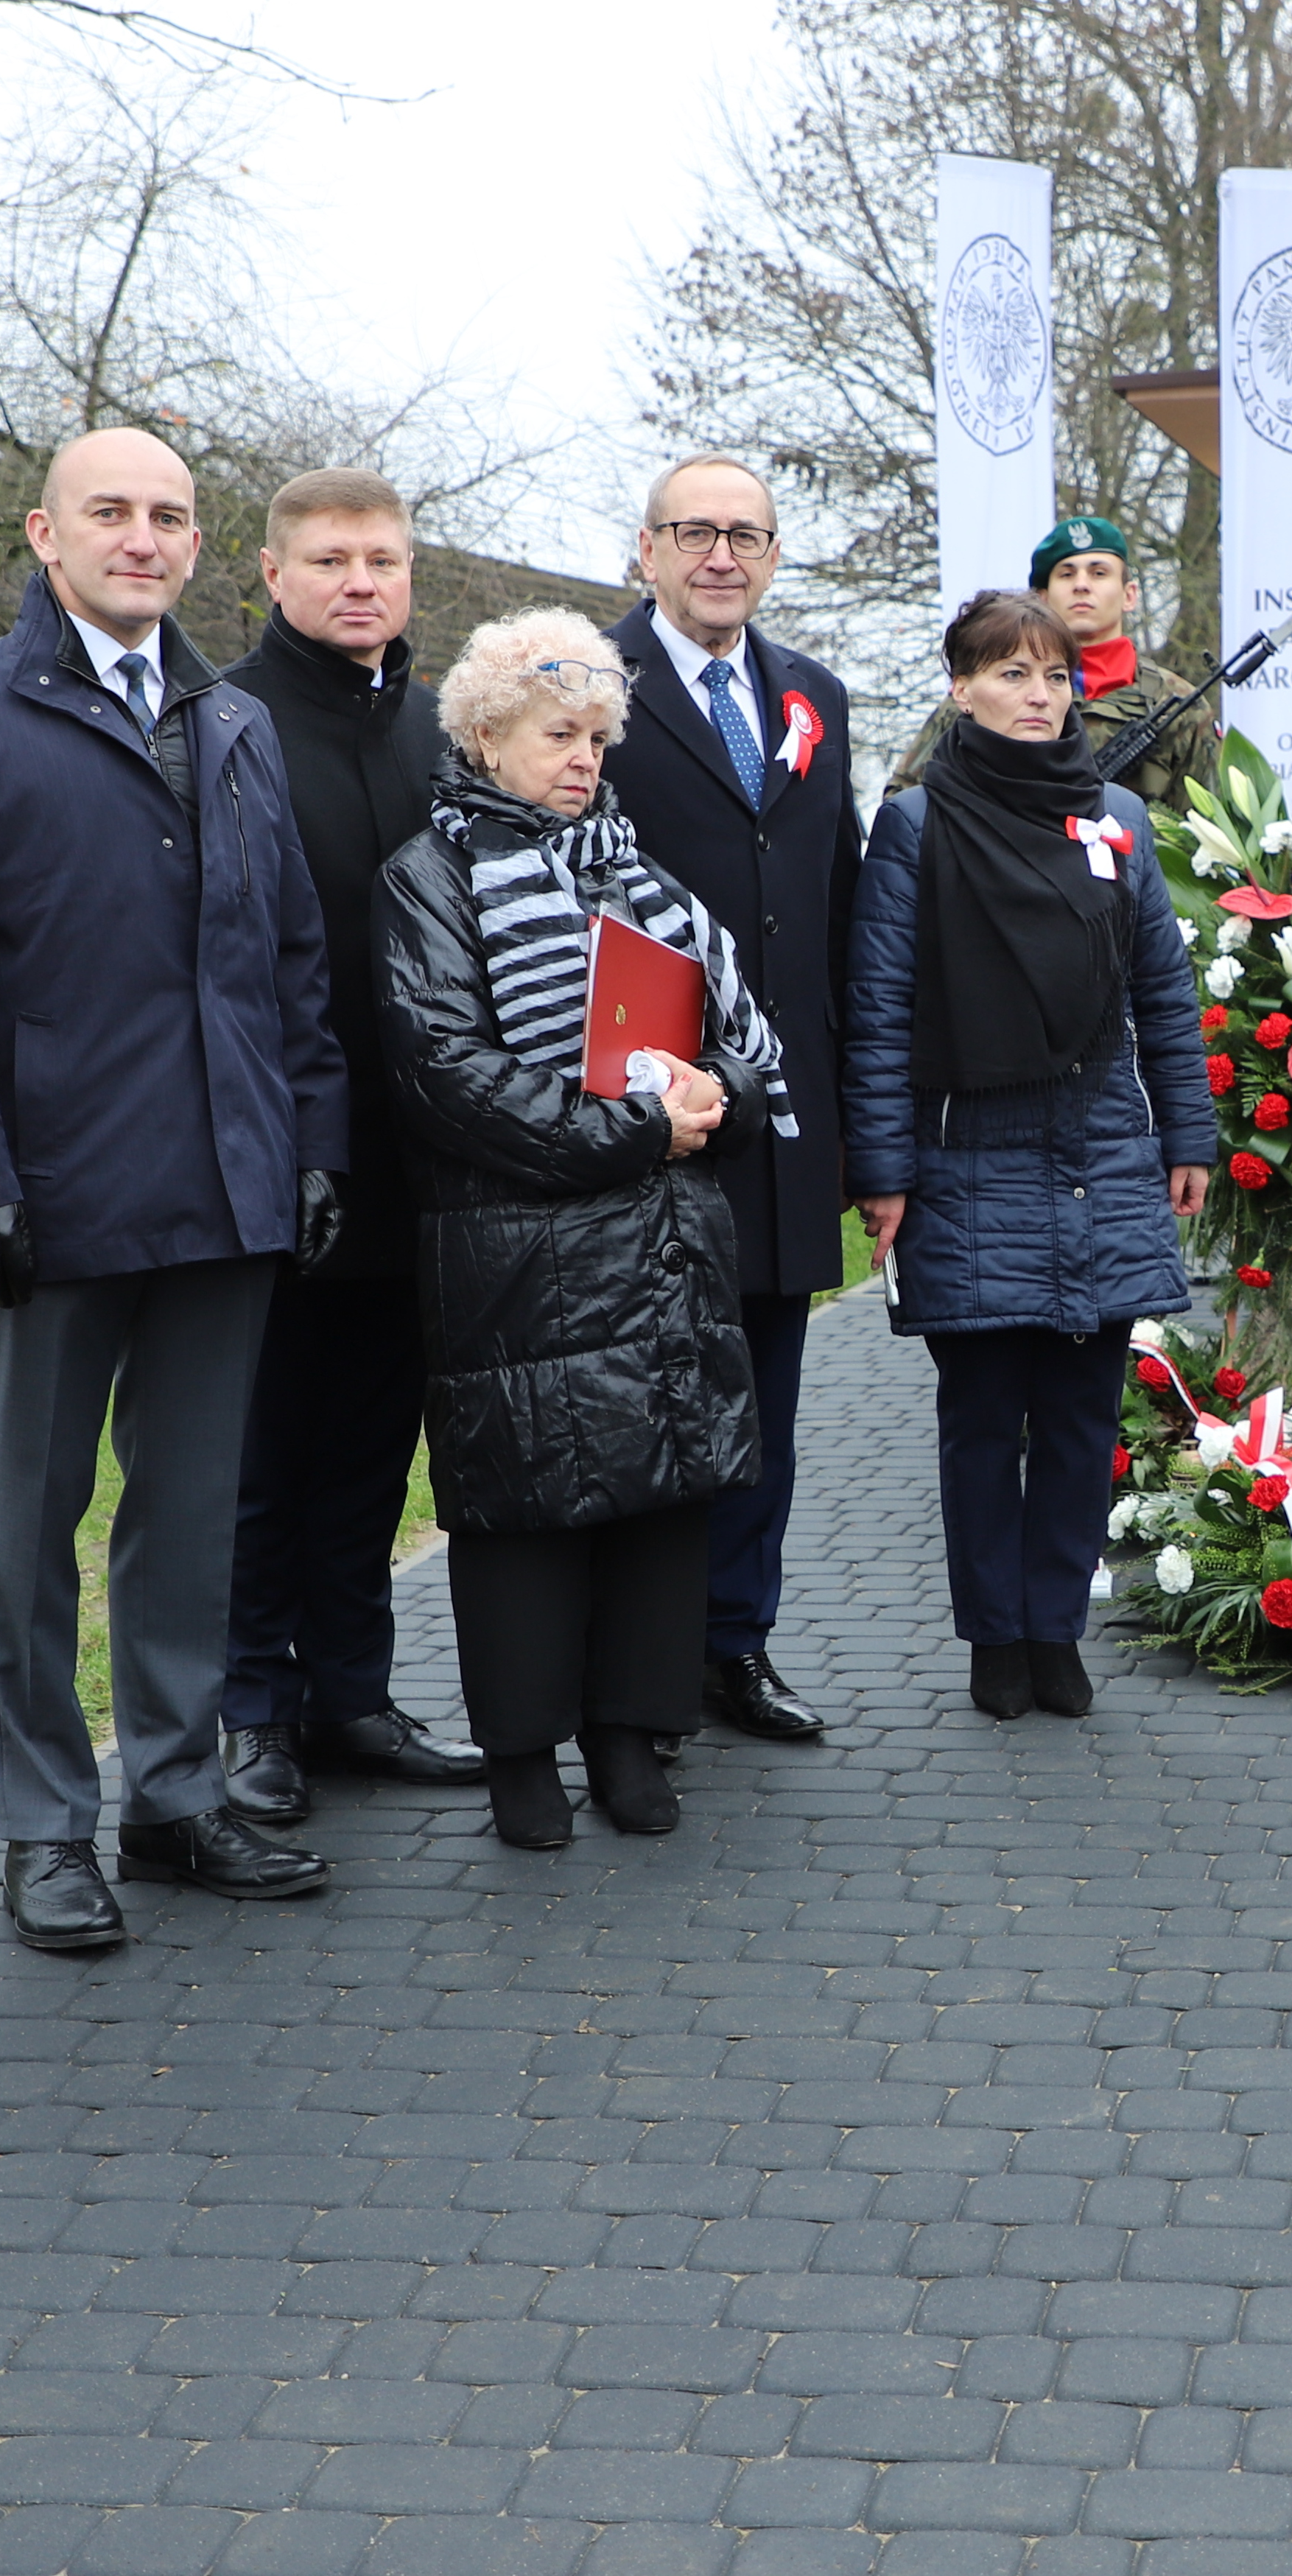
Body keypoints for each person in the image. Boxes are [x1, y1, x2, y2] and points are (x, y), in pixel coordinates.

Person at [0, 429, 352, 1951]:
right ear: (46, 532)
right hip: (54, 1204)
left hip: (225, 1190)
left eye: (168, 516)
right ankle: (41, 1824)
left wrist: (312, 1140)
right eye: (111, 512)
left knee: (189, 1515)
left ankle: (170, 1792)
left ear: (199, 546)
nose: (141, 537)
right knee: (29, 1529)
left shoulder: (230, 719)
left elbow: (288, 957)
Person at [373, 610, 795, 1846]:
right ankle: (521, 1763)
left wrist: (721, 1092)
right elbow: (443, 1069)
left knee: (661, 1498)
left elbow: (739, 1035)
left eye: (599, 737)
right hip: (518, 1256)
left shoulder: (638, 870)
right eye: (561, 734)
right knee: (525, 1516)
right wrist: (632, 1132)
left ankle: (630, 1740)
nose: (585, 759)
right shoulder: (430, 878)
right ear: (487, 736)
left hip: (663, 1243)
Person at [847, 590, 1211, 1717]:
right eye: (1009, 674)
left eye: (1052, 677)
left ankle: (1056, 1630)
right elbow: (880, 1005)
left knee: (1078, 1423)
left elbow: (1161, 984)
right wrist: (883, 1168)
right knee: (977, 1427)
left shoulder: (1116, 819)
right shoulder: (915, 822)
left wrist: (1186, 1130)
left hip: (1100, 1149)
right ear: (960, 687)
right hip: (968, 1160)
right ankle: (991, 1639)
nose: (1035, 695)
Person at [214, 469, 488, 1823]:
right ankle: (252, 1710)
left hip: (421, 1163)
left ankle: (353, 1693)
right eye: (330, 560)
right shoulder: (220, 720)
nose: (360, 581)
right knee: (264, 1452)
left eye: (382, 558)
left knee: (375, 1452)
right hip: (270, 1154)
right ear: (274, 574)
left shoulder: (444, 734)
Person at [602, 455, 856, 1747]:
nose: (720, 555)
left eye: (745, 534)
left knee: (765, 1396)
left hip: (786, 1122)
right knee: (650, 1396)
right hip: (643, 1112)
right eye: (693, 532)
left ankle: (732, 1645)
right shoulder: (585, 684)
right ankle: (637, 1664)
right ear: (643, 549)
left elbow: (836, 907)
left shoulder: (813, 694)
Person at [885, 516, 1219, 813]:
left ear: (1130, 594)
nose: (1082, 585)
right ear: (1041, 598)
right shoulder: (985, 693)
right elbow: (906, 797)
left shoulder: (1177, 704)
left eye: (1099, 573)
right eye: (1066, 574)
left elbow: (1213, 832)